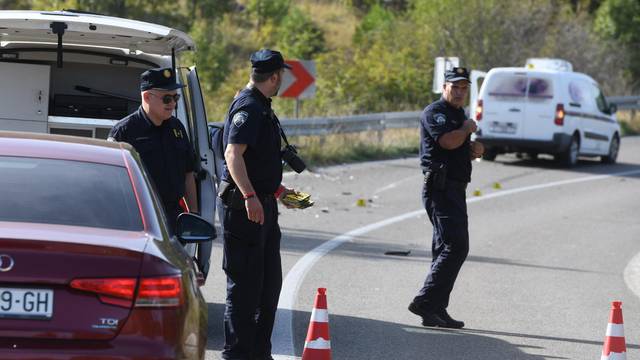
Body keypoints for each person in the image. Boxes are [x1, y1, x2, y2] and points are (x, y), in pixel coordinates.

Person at [219, 49, 297, 360]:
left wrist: (278, 191)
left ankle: (259, 353)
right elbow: (232, 155)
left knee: (267, 288)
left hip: (263, 205)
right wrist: (251, 196)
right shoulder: (249, 107)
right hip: (244, 209)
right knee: (245, 289)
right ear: (275, 76)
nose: (283, 81)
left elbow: (257, 161)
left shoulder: (263, 107)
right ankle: (237, 354)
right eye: (283, 76)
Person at [408, 67, 484, 329]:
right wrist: (465, 129)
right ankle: (425, 301)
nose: (460, 92)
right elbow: (448, 142)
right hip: (440, 188)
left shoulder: (458, 114)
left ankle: (436, 309)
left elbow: (458, 146)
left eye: (464, 88)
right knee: (456, 246)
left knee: (444, 248)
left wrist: (473, 149)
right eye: (455, 87)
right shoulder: (436, 112)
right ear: (444, 87)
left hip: (455, 187)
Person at [108, 67, 198, 232]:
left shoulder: (177, 128)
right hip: (139, 218)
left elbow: (188, 173)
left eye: (175, 97)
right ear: (147, 97)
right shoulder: (124, 131)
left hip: (173, 216)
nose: (173, 104)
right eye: (167, 98)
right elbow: (112, 183)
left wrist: (193, 213)